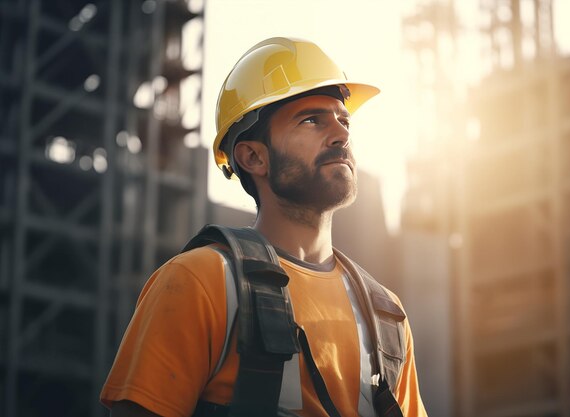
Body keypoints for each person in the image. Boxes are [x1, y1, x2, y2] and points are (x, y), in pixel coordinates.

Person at [100, 37, 428, 417]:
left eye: (344, 120)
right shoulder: (199, 282)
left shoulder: (386, 316)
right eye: (311, 120)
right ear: (254, 156)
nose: (341, 135)